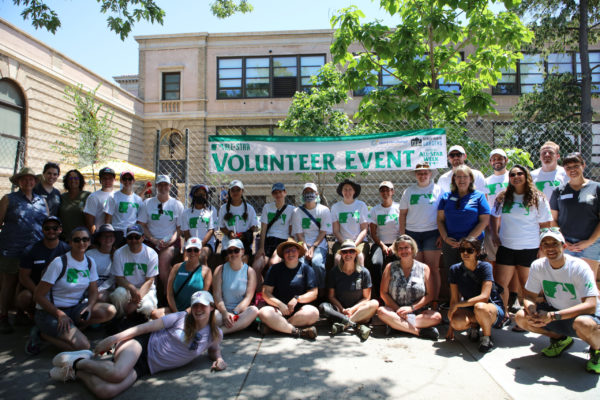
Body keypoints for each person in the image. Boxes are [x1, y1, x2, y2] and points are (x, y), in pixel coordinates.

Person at [48, 291, 227, 398]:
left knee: (106, 392)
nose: (198, 309)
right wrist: (114, 339)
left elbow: (214, 349)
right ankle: (79, 360)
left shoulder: (214, 334)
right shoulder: (180, 318)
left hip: (149, 366)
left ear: (211, 307)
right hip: (141, 345)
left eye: (203, 306)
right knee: (117, 373)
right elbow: (145, 327)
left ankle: (75, 372)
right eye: (195, 305)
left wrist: (219, 359)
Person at [515, 228, 600, 374]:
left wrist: (553, 316)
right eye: (545, 244)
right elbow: (529, 297)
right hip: (557, 313)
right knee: (521, 317)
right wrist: (532, 310)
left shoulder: (579, 267)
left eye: (554, 243)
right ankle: (560, 339)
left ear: (564, 246)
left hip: (585, 316)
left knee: (583, 324)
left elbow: (591, 305)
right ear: (541, 248)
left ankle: (597, 350)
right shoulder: (538, 265)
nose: (550, 248)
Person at [33, 227, 116, 351]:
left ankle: (73, 329)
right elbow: (38, 296)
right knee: (84, 347)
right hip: (51, 313)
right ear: (70, 242)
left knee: (110, 310)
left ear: (89, 242)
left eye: (85, 239)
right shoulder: (59, 263)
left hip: (74, 309)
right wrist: (59, 314)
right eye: (77, 240)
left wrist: (89, 306)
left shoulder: (89, 262)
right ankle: (41, 335)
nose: (81, 243)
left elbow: (93, 290)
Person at [490, 165, 552, 319]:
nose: (516, 176)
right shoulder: (502, 197)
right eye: (512, 174)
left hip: (529, 248)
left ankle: (526, 318)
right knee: (500, 284)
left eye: (520, 173)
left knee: (528, 286)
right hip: (506, 246)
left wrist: (542, 247)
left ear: (526, 176)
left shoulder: (538, 198)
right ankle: (502, 315)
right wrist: (495, 235)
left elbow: (545, 225)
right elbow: (493, 216)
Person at [0, 167, 48, 333]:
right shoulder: (8, 199)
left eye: (31, 179)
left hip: (34, 250)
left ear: (35, 182)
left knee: (25, 282)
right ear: (19, 182)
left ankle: (21, 314)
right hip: (12, 248)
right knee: (9, 283)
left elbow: (46, 224)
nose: (28, 181)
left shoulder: (42, 201)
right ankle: (3, 316)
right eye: (24, 179)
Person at [20, 216, 70, 355]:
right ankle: (34, 318)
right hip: (37, 290)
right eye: (47, 228)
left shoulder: (66, 249)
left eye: (55, 228)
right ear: (42, 230)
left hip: (59, 291)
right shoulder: (31, 250)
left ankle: (42, 332)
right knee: (24, 297)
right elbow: (24, 276)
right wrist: (38, 293)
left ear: (60, 230)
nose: (51, 231)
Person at [377, 235, 442, 341]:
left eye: (406, 247)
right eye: (400, 248)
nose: (403, 251)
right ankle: (418, 331)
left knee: (437, 317)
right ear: (397, 251)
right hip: (395, 312)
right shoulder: (390, 267)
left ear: (412, 249)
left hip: (417, 313)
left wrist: (411, 308)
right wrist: (398, 310)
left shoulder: (424, 268)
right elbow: (383, 293)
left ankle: (397, 326)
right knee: (381, 311)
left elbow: (430, 295)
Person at [446, 237, 505, 353]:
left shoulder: (485, 267)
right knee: (457, 323)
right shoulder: (455, 269)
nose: (465, 253)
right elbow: (454, 299)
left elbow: (484, 297)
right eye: (462, 250)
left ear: (477, 252)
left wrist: (459, 304)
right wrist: (450, 328)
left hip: (490, 307)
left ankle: (486, 338)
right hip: (469, 308)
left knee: (480, 307)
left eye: (470, 250)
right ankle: (475, 326)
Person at [550, 152, 600, 289]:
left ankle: (592, 310)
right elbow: (553, 219)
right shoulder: (558, 191)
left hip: (590, 244)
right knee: (568, 282)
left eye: (576, 166)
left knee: (588, 282)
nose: (572, 170)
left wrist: (589, 242)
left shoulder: (596, 188)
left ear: (583, 165)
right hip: (566, 244)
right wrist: (562, 241)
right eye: (568, 167)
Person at [258, 239, 319, 339]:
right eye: (287, 251)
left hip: (299, 312)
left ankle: (276, 327)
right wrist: (279, 304)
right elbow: (266, 293)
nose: (290, 253)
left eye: (293, 250)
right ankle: (298, 331)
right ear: (283, 254)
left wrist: (297, 298)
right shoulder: (274, 269)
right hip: (278, 311)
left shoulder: (307, 269)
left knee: (314, 313)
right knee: (263, 312)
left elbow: (313, 293)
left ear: (299, 252)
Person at [399, 163, 443, 301]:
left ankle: (434, 300)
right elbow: (402, 215)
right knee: (417, 268)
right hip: (412, 234)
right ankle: (419, 300)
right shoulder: (409, 191)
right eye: (419, 173)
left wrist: (442, 234)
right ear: (415, 175)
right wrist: (403, 236)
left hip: (432, 232)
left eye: (425, 173)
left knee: (433, 268)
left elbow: (443, 215)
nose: (422, 176)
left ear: (430, 174)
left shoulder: (438, 190)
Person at [437, 165, 490, 278]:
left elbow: (484, 221)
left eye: (465, 176)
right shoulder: (446, 197)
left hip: (472, 244)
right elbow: (440, 220)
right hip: (451, 243)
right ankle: (454, 296)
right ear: (454, 179)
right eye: (458, 177)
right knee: (453, 275)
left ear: (470, 179)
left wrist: (467, 240)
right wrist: (445, 238)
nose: (461, 180)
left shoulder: (479, 196)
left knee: (472, 275)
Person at [319, 240, 378, 340]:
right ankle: (356, 325)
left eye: (351, 251)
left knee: (374, 303)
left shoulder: (364, 272)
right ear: (341, 254)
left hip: (358, 311)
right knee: (323, 307)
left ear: (356, 254)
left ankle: (344, 324)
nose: (348, 254)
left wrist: (352, 310)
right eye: (345, 252)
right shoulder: (334, 272)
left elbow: (366, 298)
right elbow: (331, 296)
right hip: (339, 310)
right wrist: (342, 309)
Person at [137, 175, 184, 294]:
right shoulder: (147, 203)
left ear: (170, 186)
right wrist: (153, 240)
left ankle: (167, 295)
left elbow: (179, 229)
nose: (163, 187)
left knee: (163, 261)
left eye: (165, 184)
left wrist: (171, 240)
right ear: (156, 186)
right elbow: (142, 224)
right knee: (149, 262)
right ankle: (151, 294)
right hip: (150, 241)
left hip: (171, 242)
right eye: (160, 185)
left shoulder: (177, 205)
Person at [152, 237, 212, 319]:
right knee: (154, 314)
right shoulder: (176, 267)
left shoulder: (206, 271)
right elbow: (169, 294)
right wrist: (177, 312)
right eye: (189, 250)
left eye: (196, 250)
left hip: (195, 311)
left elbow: (203, 297)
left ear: (200, 251)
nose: (192, 253)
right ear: (185, 251)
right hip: (176, 310)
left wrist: (187, 312)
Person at [110, 225, 159, 319]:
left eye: (137, 237)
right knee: (117, 295)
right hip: (126, 288)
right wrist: (132, 288)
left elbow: (150, 280)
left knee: (147, 306)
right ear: (126, 239)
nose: (133, 240)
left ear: (143, 238)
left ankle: (142, 321)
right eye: (130, 237)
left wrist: (135, 300)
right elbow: (119, 278)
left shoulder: (151, 254)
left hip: (146, 289)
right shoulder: (119, 253)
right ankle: (120, 318)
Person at [291, 183, 332, 292]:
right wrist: (304, 247)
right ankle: (301, 290)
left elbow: (323, 231)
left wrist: (313, 247)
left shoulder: (324, 210)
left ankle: (321, 290)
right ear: (302, 194)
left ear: (316, 194)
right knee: (300, 263)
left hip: (318, 244)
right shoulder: (297, 212)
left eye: (311, 192)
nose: (308, 195)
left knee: (317, 263)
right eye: (306, 192)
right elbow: (299, 233)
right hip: (302, 243)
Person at [253, 183, 295, 289]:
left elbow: (291, 232)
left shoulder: (291, 209)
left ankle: (272, 292)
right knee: (256, 266)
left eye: (280, 192)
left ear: (285, 193)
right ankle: (259, 293)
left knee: (273, 263)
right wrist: (261, 248)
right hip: (269, 241)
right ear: (272, 194)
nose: (278, 195)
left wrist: (286, 246)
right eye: (275, 192)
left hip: (282, 241)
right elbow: (263, 229)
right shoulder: (267, 207)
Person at [213, 239, 259, 334]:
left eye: (236, 250)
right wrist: (225, 313)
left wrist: (234, 313)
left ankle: (220, 332)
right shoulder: (220, 270)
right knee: (214, 316)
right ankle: (234, 327)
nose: (233, 254)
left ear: (242, 251)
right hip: (222, 312)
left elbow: (248, 298)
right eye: (230, 251)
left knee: (253, 310)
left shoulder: (249, 271)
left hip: (240, 313)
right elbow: (217, 295)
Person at [369, 181, 400, 301]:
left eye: (388, 190)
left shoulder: (398, 208)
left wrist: (393, 245)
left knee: (398, 262)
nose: (385, 193)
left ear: (392, 192)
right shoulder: (375, 210)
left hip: (396, 243)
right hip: (379, 243)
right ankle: (380, 296)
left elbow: (403, 230)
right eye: (382, 190)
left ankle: (397, 294)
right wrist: (382, 246)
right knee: (376, 263)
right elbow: (373, 233)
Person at [331, 179, 369, 268]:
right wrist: (345, 245)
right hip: (341, 242)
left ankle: (360, 279)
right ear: (341, 191)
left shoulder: (361, 205)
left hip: (359, 242)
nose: (347, 192)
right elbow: (336, 231)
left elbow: (364, 229)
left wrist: (354, 245)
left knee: (359, 257)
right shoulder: (335, 207)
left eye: (350, 189)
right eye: (345, 189)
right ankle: (338, 280)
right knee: (338, 258)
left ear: (354, 191)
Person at [218, 180, 258, 263]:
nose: (235, 192)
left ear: (242, 191)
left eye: (238, 190)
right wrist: (229, 233)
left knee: (243, 260)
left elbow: (253, 226)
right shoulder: (223, 208)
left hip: (244, 244)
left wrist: (244, 235)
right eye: (233, 190)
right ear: (229, 192)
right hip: (228, 243)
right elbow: (222, 227)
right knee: (229, 260)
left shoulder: (249, 208)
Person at [180, 184, 218, 264]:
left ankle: (204, 276)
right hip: (190, 243)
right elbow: (186, 233)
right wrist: (193, 245)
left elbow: (211, 231)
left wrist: (200, 244)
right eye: (198, 194)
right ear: (193, 195)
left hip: (206, 244)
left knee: (202, 257)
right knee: (186, 261)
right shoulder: (186, 213)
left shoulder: (211, 210)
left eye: (203, 194)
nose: (201, 196)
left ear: (206, 196)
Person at [104, 171, 143, 246]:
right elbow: (108, 219)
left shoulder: (138, 199)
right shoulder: (113, 196)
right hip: (117, 232)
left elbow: (139, 219)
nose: (127, 181)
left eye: (130, 179)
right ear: (121, 181)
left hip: (133, 233)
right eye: (124, 179)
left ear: (133, 181)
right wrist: (108, 235)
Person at [86, 224, 117, 302]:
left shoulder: (117, 255)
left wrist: (99, 290)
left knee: (100, 297)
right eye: (104, 236)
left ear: (114, 239)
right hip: (89, 288)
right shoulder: (89, 254)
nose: (108, 239)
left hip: (107, 290)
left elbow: (112, 279)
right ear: (99, 239)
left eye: (110, 236)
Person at [58, 169, 91, 242]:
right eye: (70, 178)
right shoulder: (62, 197)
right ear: (66, 181)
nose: (73, 180)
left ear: (80, 180)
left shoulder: (87, 196)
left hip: (82, 239)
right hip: (64, 238)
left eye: (76, 178)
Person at [84, 167, 115, 234]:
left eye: (110, 178)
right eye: (104, 178)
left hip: (115, 234)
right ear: (100, 180)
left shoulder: (118, 195)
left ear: (114, 180)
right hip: (100, 234)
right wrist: (95, 236)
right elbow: (90, 222)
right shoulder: (93, 197)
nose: (107, 180)